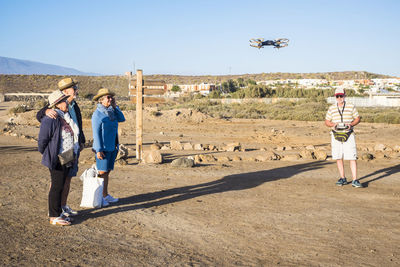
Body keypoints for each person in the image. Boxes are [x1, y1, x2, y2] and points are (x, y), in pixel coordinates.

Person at [36, 77, 85, 217]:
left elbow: (78, 125)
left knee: (67, 178)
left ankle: (63, 206)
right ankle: (54, 209)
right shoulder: (55, 105)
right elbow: (40, 115)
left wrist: (81, 141)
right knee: (57, 181)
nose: (76, 90)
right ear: (64, 91)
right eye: (73, 89)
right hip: (60, 152)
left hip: (73, 148)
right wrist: (45, 112)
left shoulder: (74, 106)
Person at [91, 88, 126, 207]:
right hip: (103, 148)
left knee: (107, 172)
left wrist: (115, 107)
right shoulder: (97, 114)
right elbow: (96, 133)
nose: (110, 99)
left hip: (112, 146)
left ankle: (105, 195)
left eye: (111, 97)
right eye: (108, 97)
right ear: (101, 100)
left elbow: (122, 118)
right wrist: (98, 149)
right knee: (102, 172)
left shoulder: (112, 112)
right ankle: (99, 197)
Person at [325, 88, 362, 188]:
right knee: (338, 157)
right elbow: (327, 121)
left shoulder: (351, 106)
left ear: (344, 96)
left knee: (352, 157)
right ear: (335, 97)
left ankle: (355, 179)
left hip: (348, 134)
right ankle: (343, 178)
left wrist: (351, 124)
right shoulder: (332, 108)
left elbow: (357, 118)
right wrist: (333, 124)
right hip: (336, 134)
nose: (339, 98)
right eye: (337, 96)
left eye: (341, 96)